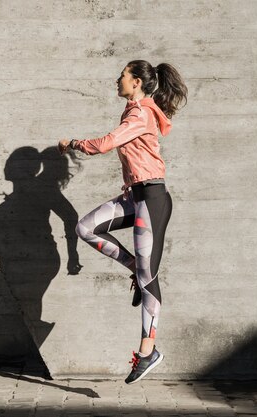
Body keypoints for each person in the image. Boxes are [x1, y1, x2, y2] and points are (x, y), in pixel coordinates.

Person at [58, 60, 187, 384]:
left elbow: (104, 144)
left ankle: (147, 352)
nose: (118, 79)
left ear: (137, 82)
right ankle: (135, 269)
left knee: (148, 276)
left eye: (123, 75)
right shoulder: (135, 111)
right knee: (85, 228)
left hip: (153, 199)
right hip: (136, 197)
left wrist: (72, 143)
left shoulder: (140, 113)